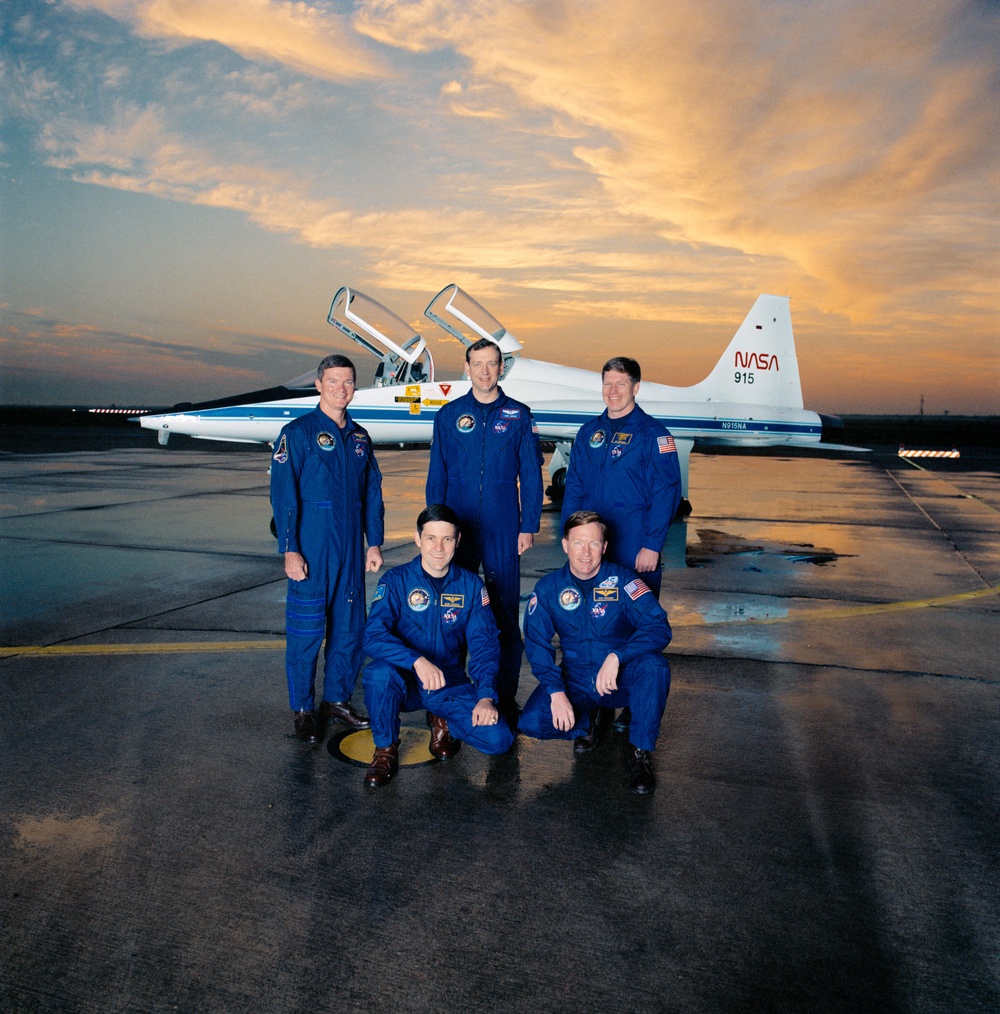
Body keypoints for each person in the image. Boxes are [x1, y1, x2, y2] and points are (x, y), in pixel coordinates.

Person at [426, 337, 543, 718]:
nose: (485, 371)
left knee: (505, 614)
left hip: (502, 526)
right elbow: (437, 474)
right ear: (466, 367)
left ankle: (503, 697)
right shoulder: (448, 415)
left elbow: (530, 473)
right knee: (451, 612)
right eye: (477, 363)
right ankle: (452, 695)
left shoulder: (519, 415)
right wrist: (433, 527)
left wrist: (528, 526)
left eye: (492, 363)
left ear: (501, 368)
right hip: (455, 527)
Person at [270, 353, 384, 745]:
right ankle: (303, 708)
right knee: (306, 632)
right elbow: (284, 495)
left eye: (348, 382)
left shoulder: (359, 438)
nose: (341, 389)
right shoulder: (297, 432)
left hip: (351, 551)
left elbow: (372, 493)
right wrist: (290, 548)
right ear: (319, 385)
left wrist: (375, 543)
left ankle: (336, 699)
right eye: (333, 381)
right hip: (313, 550)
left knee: (350, 630)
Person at [361, 504, 515, 788]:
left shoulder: (470, 586)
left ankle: (441, 717)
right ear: (418, 539)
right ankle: (385, 749)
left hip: (447, 683)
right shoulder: (396, 581)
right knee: (378, 675)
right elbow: (372, 636)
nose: (438, 547)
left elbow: (484, 645)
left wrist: (485, 696)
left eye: (447, 539)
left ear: (458, 541)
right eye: (431, 538)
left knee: (499, 740)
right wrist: (416, 660)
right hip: (404, 680)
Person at [519, 510, 672, 794]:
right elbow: (537, 644)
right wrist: (556, 692)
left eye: (593, 544)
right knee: (532, 721)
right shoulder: (549, 588)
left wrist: (618, 657)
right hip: (575, 678)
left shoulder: (624, 582)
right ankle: (587, 720)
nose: (585, 553)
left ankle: (640, 753)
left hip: (618, 679)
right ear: (565, 545)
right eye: (578, 543)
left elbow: (659, 627)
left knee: (655, 667)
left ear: (604, 546)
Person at [560, 356, 681, 598]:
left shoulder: (654, 435)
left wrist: (652, 545)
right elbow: (575, 487)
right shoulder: (588, 433)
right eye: (607, 384)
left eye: (621, 384)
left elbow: (666, 493)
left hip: (634, 544)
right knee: (593, 613)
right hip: (592, 545)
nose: (612, 391)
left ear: (636, 387)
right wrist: (571, 536)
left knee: (636, 616)